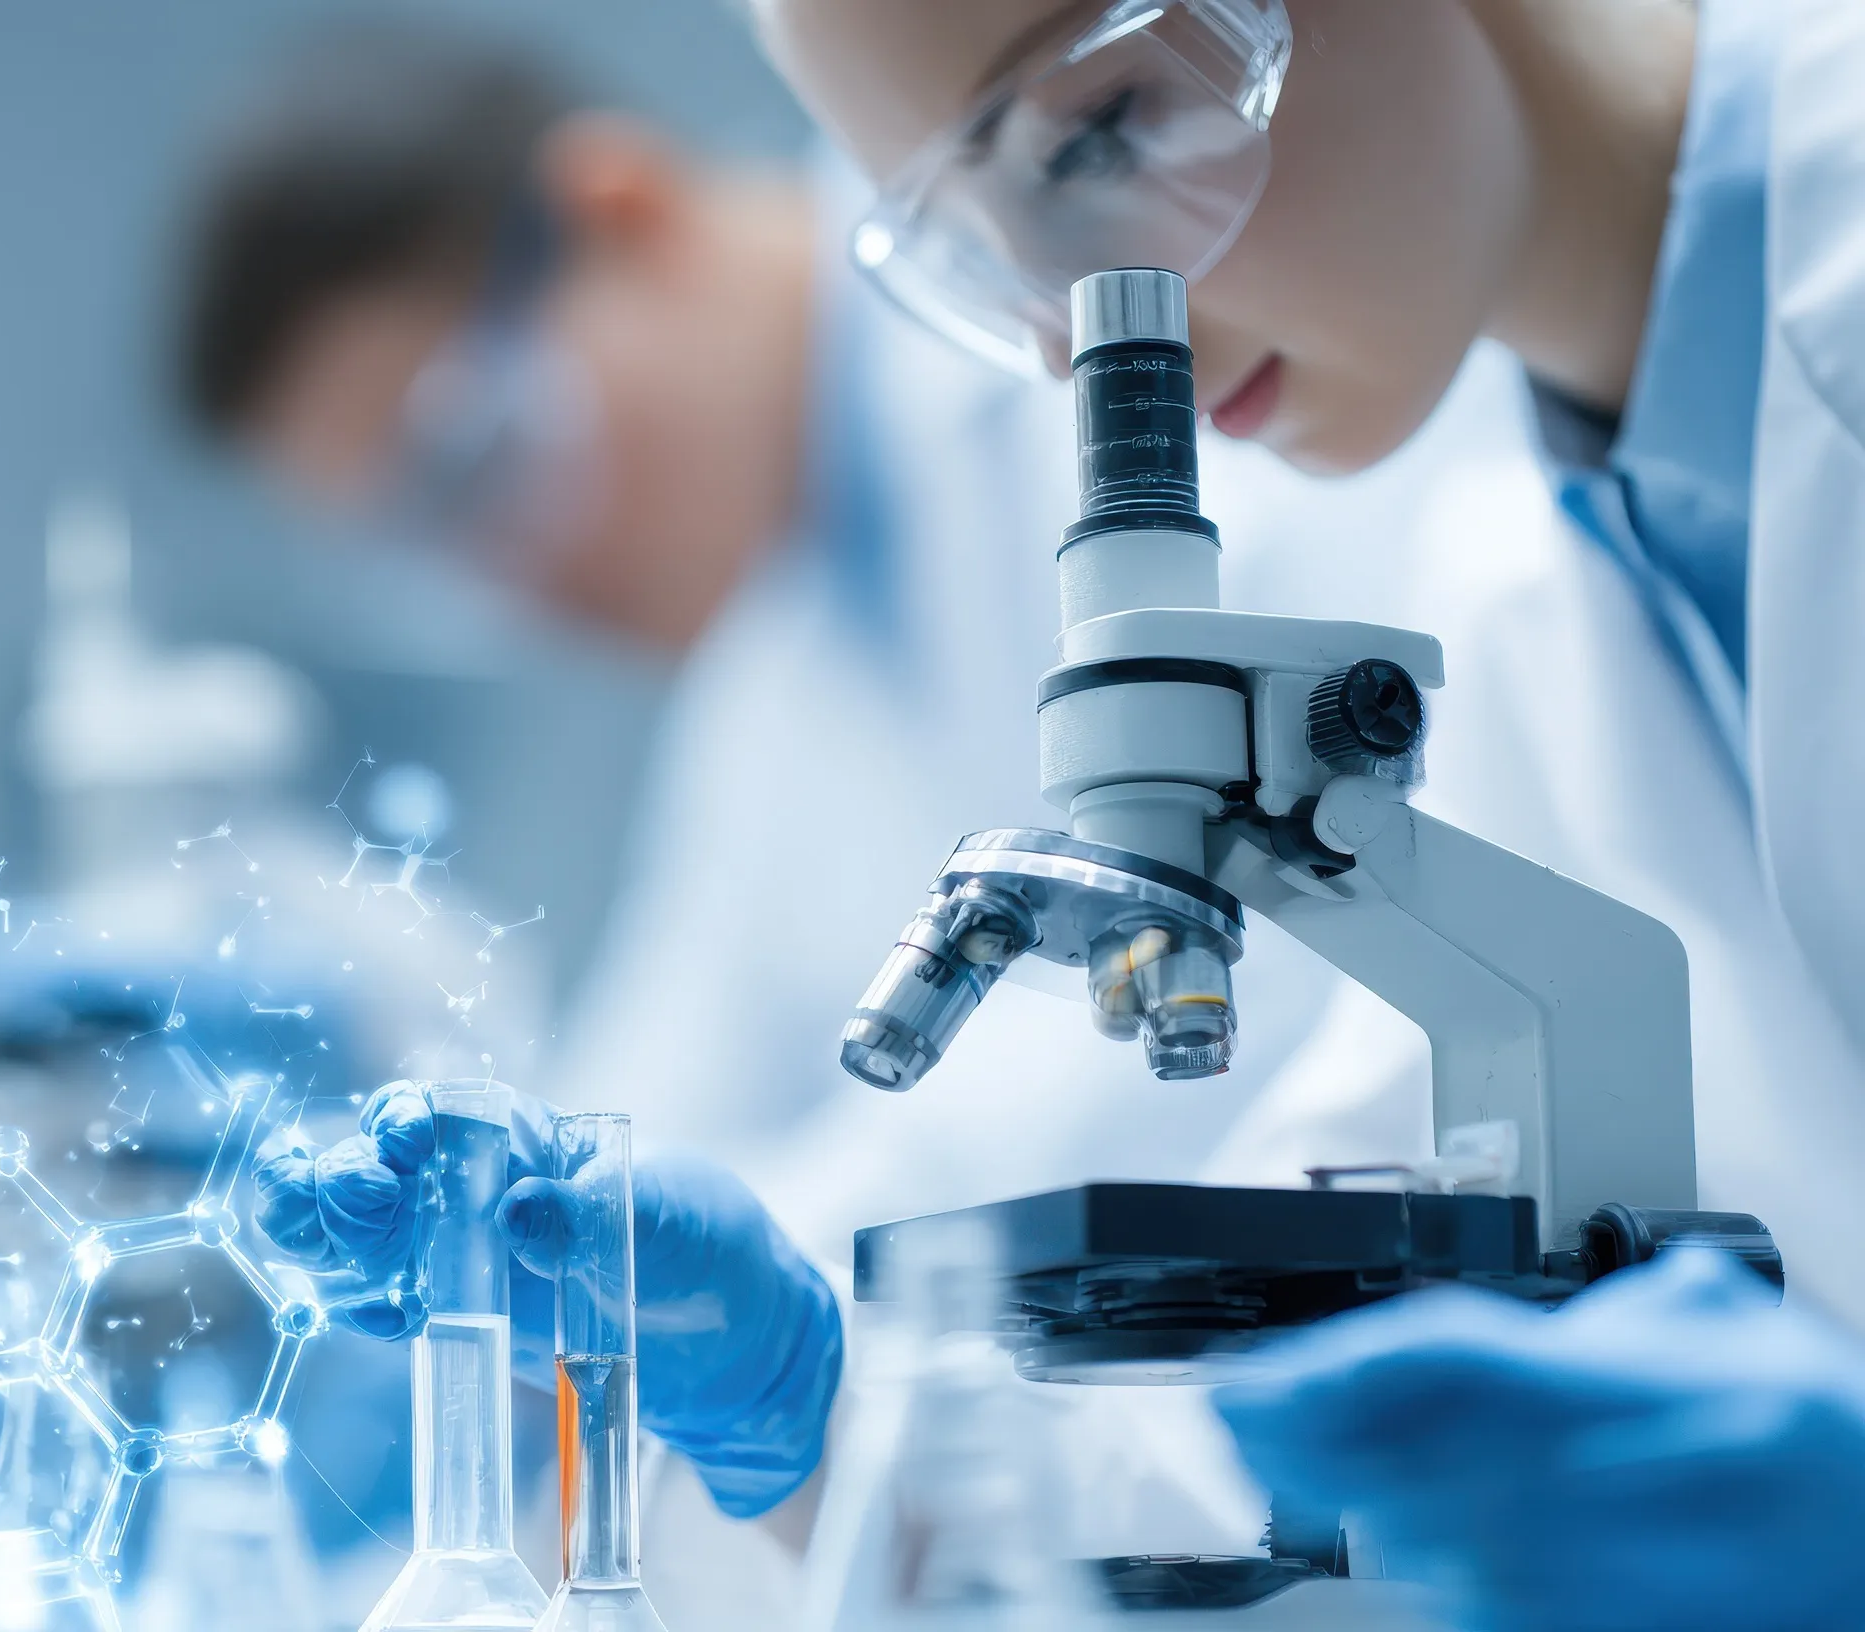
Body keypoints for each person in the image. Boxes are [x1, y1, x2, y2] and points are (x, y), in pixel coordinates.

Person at [174, 15, 1552, 1607]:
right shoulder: (776, 671)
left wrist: (773, 1336)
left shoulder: (1194, 348)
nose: (509, 579)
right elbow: (654, 1127)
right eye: (417, 563)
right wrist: (446, 1266)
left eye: (473, 461)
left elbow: (1182, 1080)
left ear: (624, 214)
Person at [732, 0, 1865, 1620]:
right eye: (983, 249)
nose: (1070, 337)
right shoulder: (1526, 589)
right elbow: (1316, 1425)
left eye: (1102, 133)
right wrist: (802, 1405)